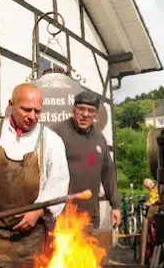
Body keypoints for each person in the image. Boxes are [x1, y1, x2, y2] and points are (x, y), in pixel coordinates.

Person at [0, 83, 70, 262]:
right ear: (11, 104)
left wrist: (38, 211)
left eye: (37, 111)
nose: (32, 116)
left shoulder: (52, 141)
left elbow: (58, 184)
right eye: (26, 109)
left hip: (29, 235)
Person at [51, 91, 121, 229]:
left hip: (90, 215)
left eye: (91, 110)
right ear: (74, 109)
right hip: (62, 214)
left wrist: (116, 206)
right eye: (81, 109)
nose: (85, 114)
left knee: (90, 250)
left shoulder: (100, 139)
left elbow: (108, 175)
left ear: (95, 114)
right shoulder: (57, 133)